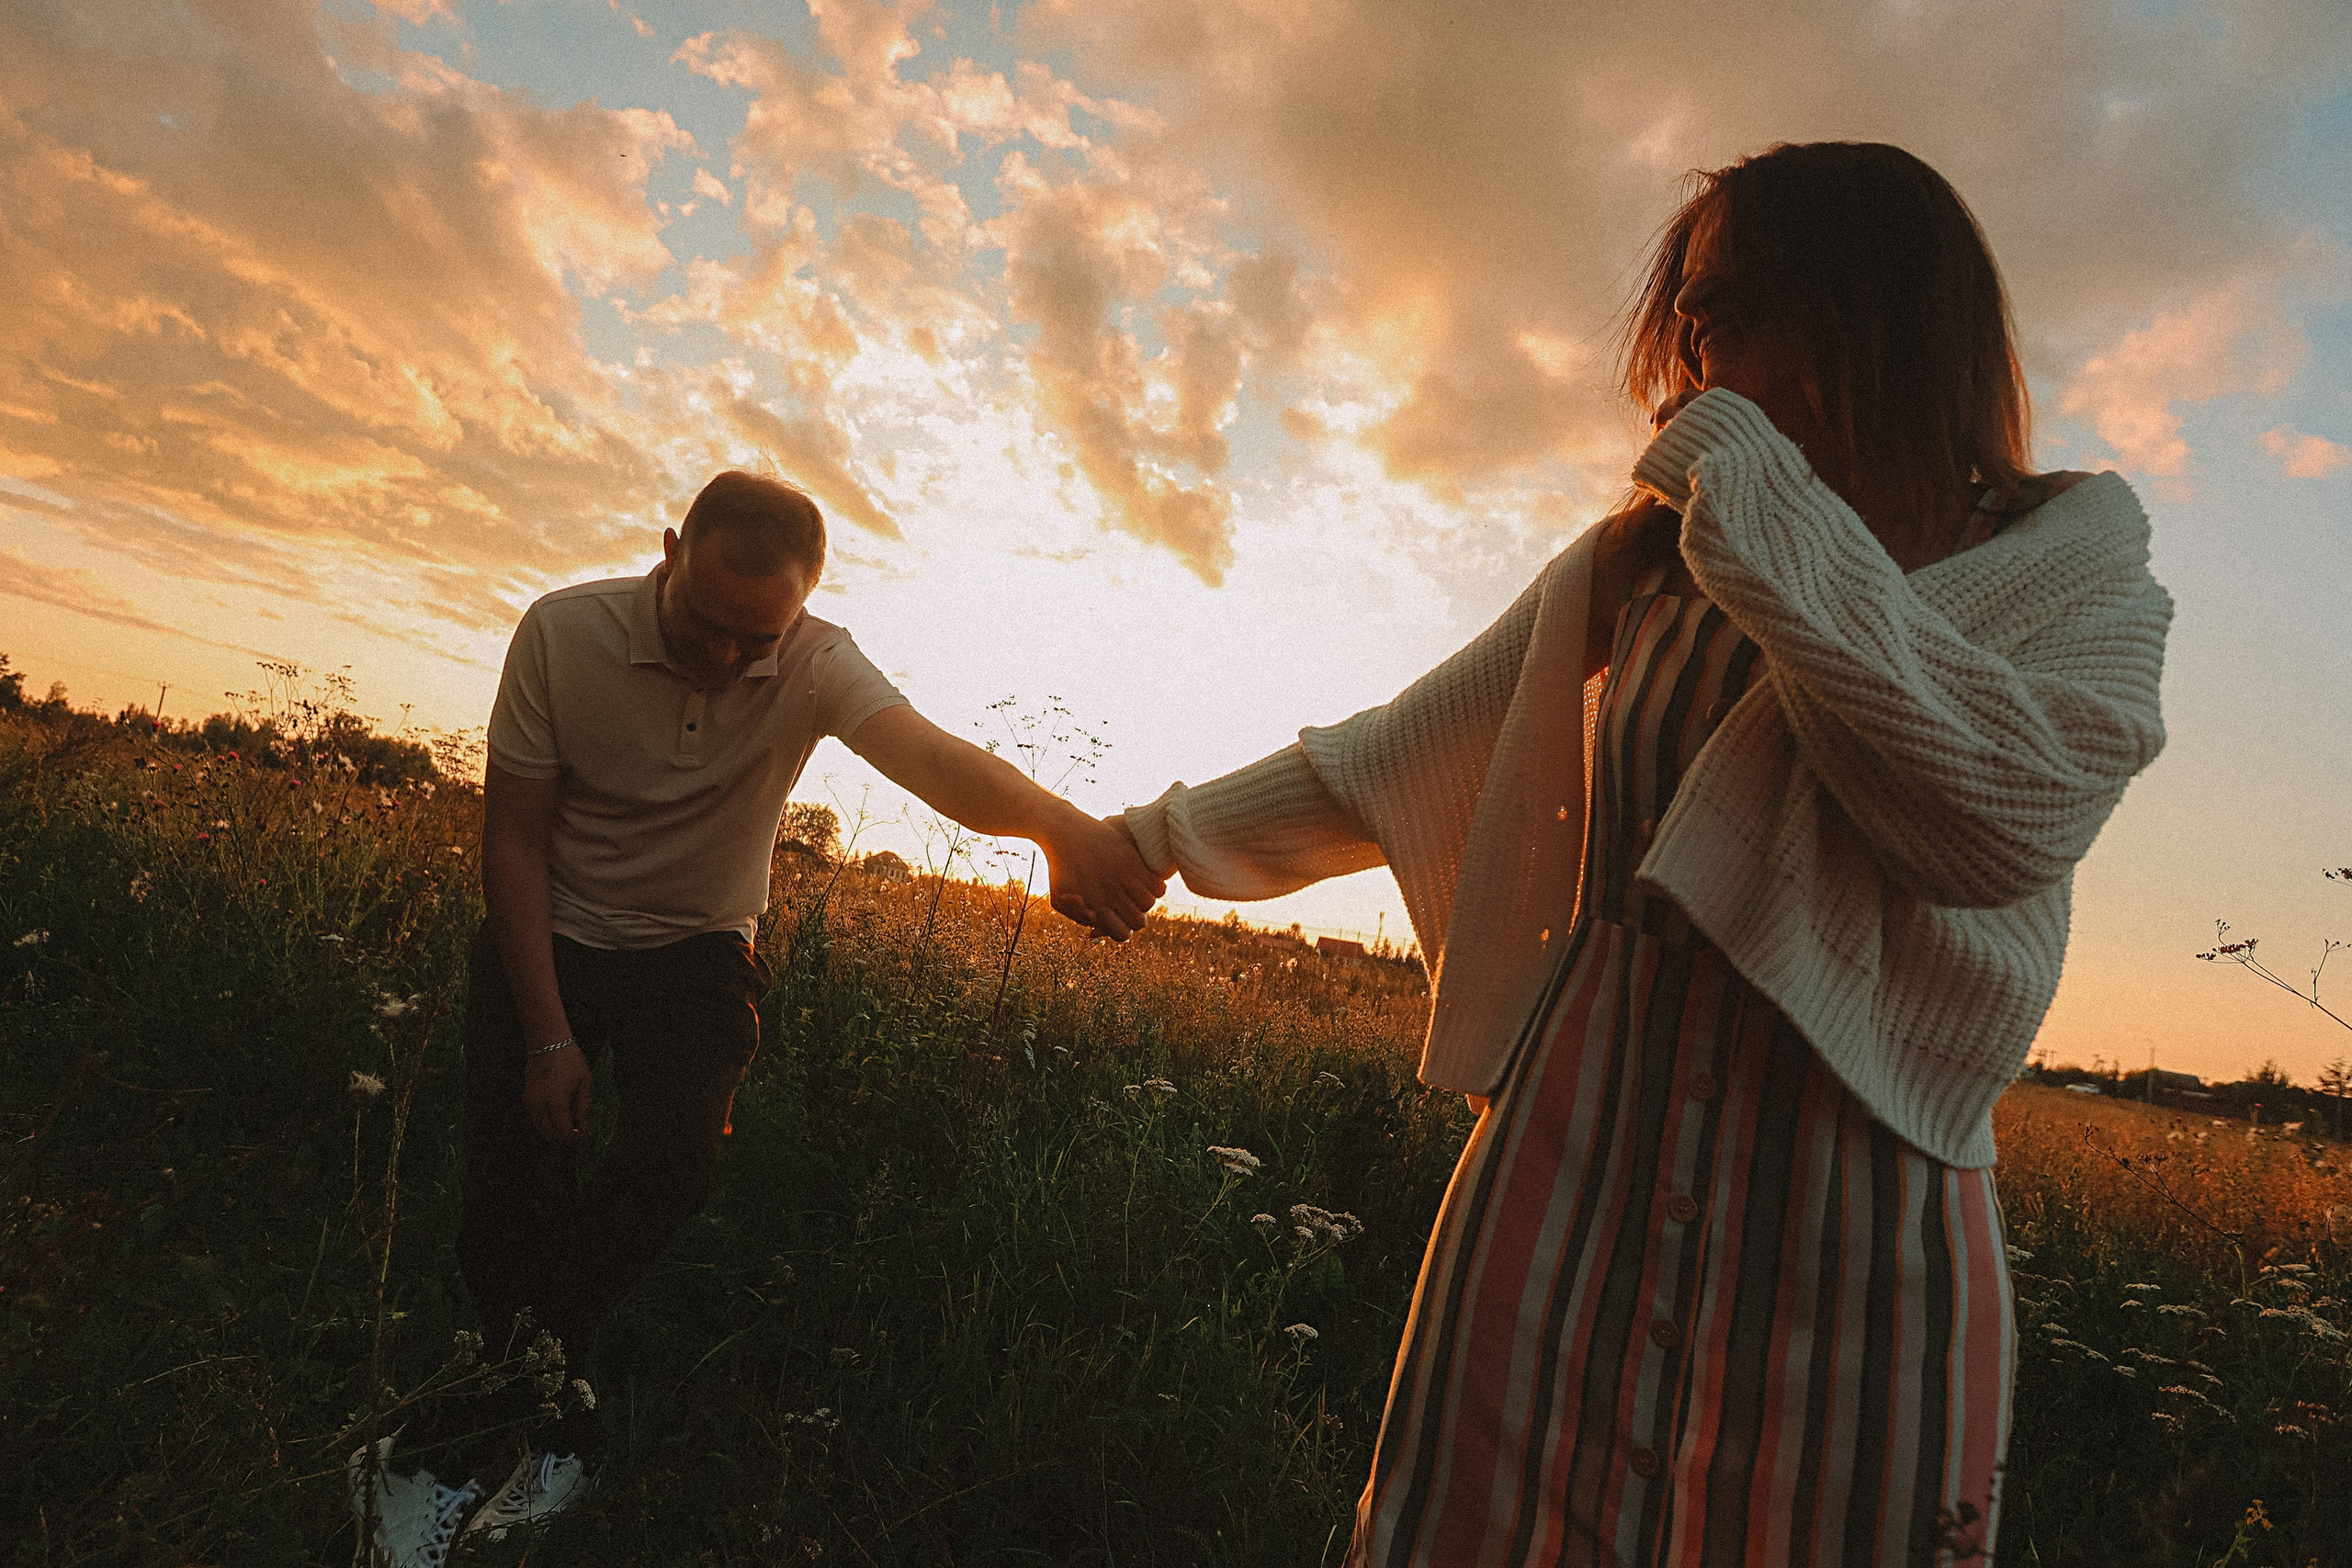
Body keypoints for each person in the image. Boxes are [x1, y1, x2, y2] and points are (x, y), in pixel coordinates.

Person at [1114, 141, 2172, 1566]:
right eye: (1685, 311)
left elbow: (1995, 817)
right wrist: (1152, 839)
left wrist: (1758, 495)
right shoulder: (1656, 559)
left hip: (1857, 1225)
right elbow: (1402, 749)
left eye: (1723, 306)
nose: (1688, 346)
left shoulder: (2077, 576)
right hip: (1568, 1180)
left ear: (1859, 311)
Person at [347, 470, 1164, 1566]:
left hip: (698, 952)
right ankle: (541, 1430)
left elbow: (928, 757)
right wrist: (548, 1033)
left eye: (756, 641)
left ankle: (454, 1430)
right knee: (513, 1193)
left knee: (674, 1156)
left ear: (799, 611)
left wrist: (1062, 828)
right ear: (670, 550)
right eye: (707, 626)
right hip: (552, 934)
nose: (727, 659)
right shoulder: (561, 631)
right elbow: (515, 843)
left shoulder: (817, 659)